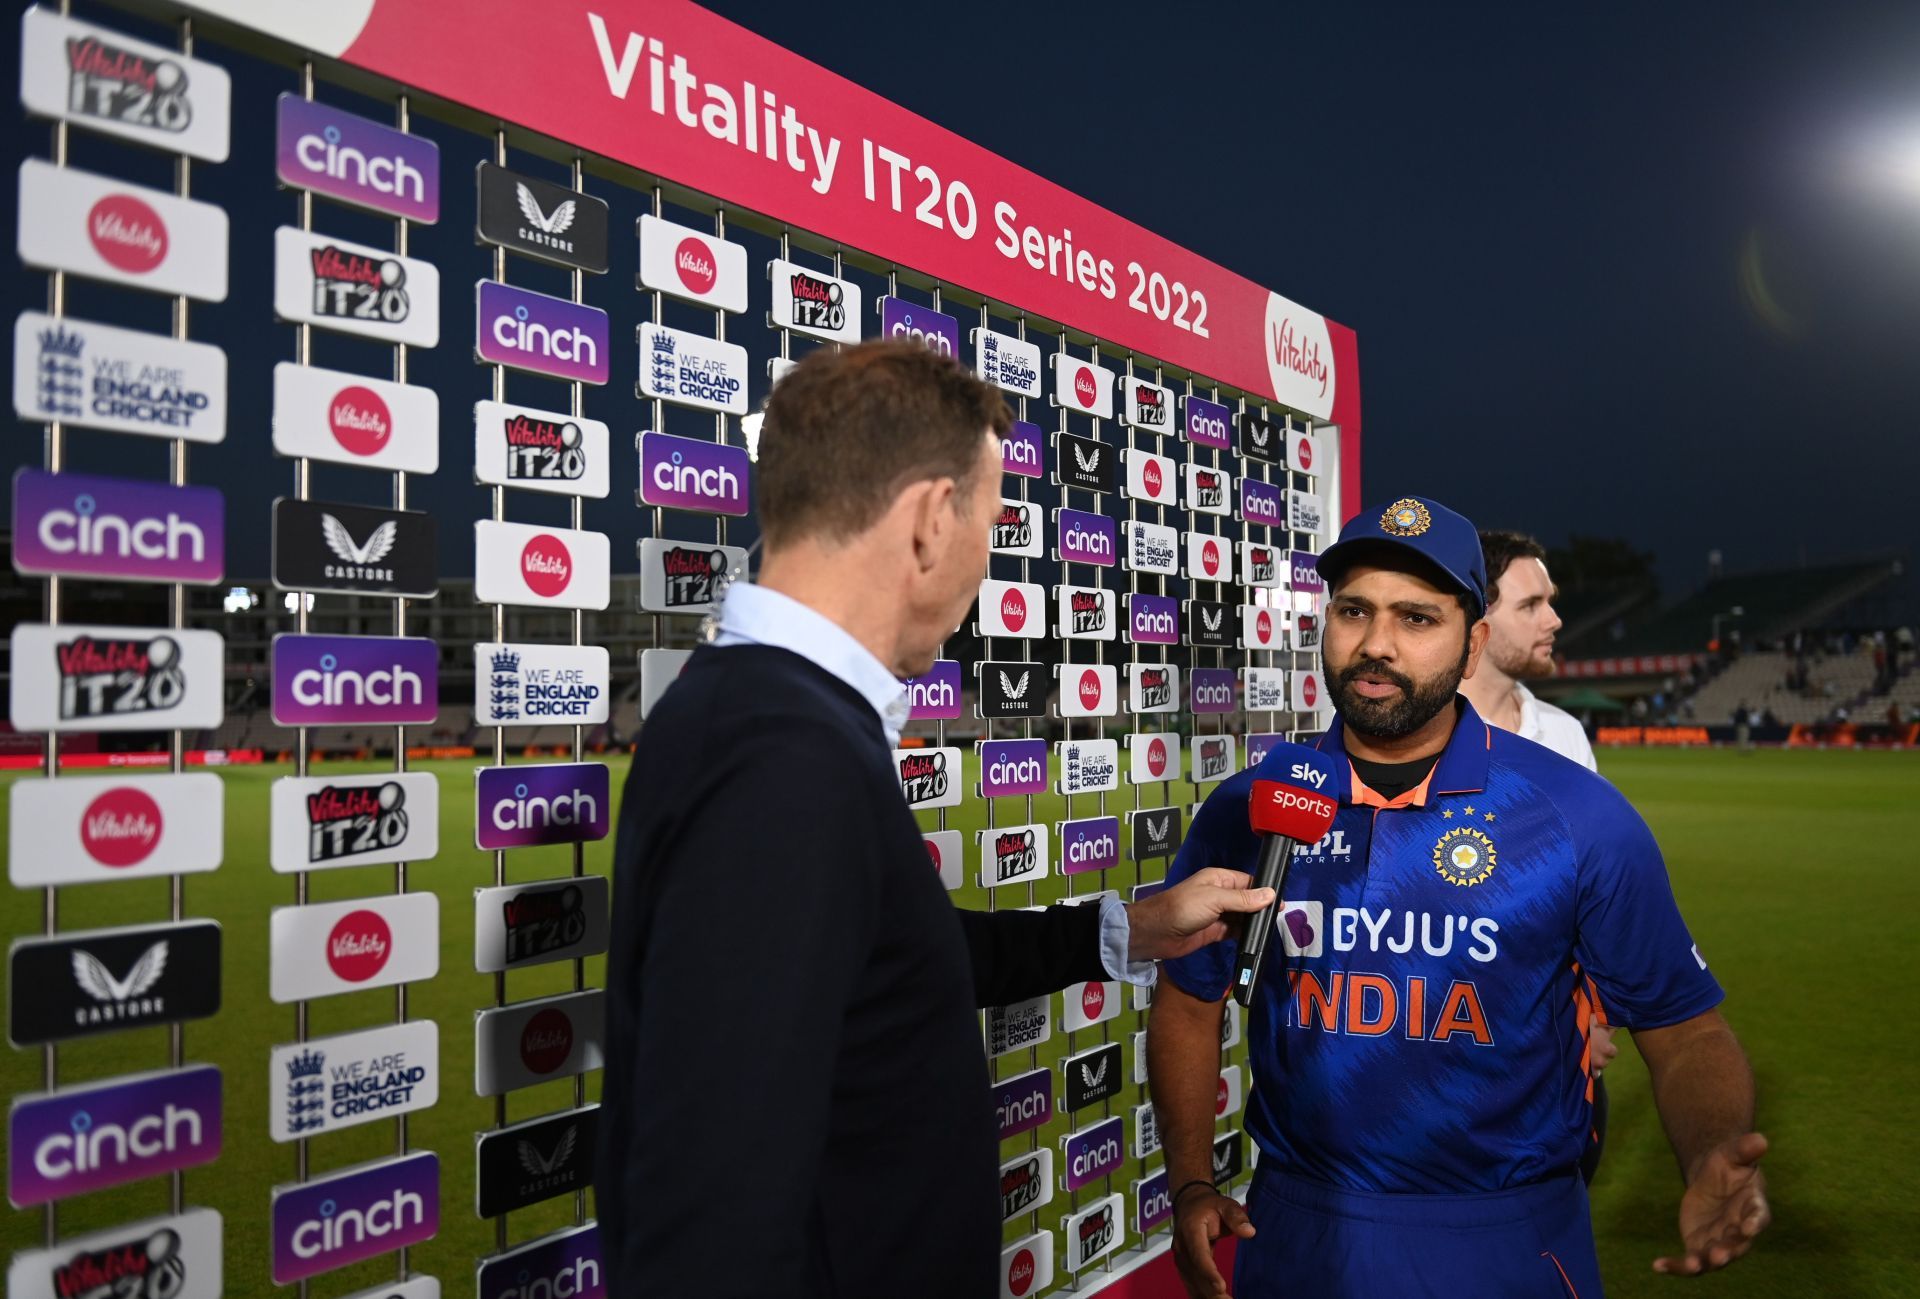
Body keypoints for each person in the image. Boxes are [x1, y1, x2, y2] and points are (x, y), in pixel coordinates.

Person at [598, 340, 1277, 1298]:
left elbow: (882, 960)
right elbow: (708, 1213)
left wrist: (1127, 928)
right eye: (993, 522)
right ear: (928, 520)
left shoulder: (770, 716)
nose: (987, 564)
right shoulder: (781, 757)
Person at [1148, 496, 1769, 1299]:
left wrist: (1712, 1145)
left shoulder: (1577, 816)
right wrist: (1192, 1181)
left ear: (1472, 641)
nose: (1375, 644)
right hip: (1291, 1229)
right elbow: (1190, 999)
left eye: (1416, 617)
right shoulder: (1250, 805)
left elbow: (1684, 1031)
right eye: (1353, 611)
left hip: (1506, 1240)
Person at [1459, 529, 1616, 1183]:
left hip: (1554, 1055)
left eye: (1550, 601)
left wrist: (1597, 1015)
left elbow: (1591, 893)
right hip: (1434, 1048)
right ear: (1479, 619)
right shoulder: (1405, 731)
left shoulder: (1565, 735)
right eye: (1532, 604)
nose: (1554, 618)